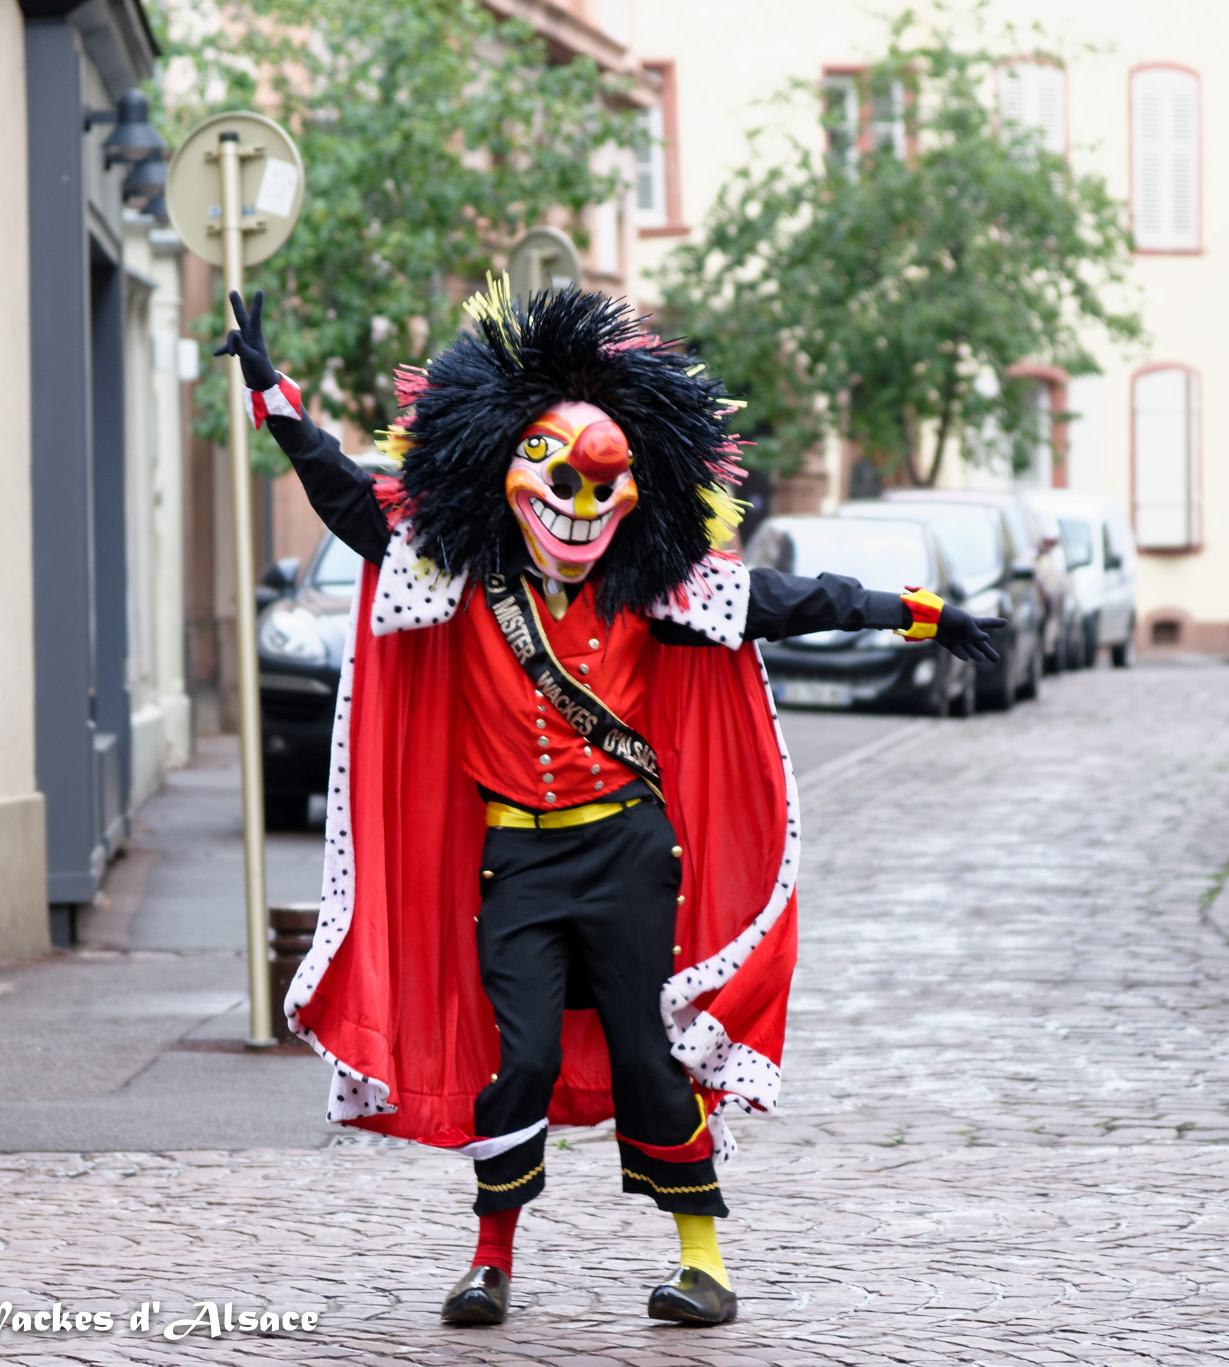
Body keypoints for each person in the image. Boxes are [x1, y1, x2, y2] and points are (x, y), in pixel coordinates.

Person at [215, 282, 1003, 1328]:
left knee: (645, 1050)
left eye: (604, 485)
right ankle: (489, 1258)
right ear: (503, 472)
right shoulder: (457, 572)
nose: (579, 507)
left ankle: (702, 1261)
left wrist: (918, 613)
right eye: (559, 481)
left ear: (635, 488)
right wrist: (273, 398)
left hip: (631, 857)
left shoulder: (657, 589)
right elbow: (347, 497)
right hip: (517, 863)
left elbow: (792, 601)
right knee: (522, 1056)